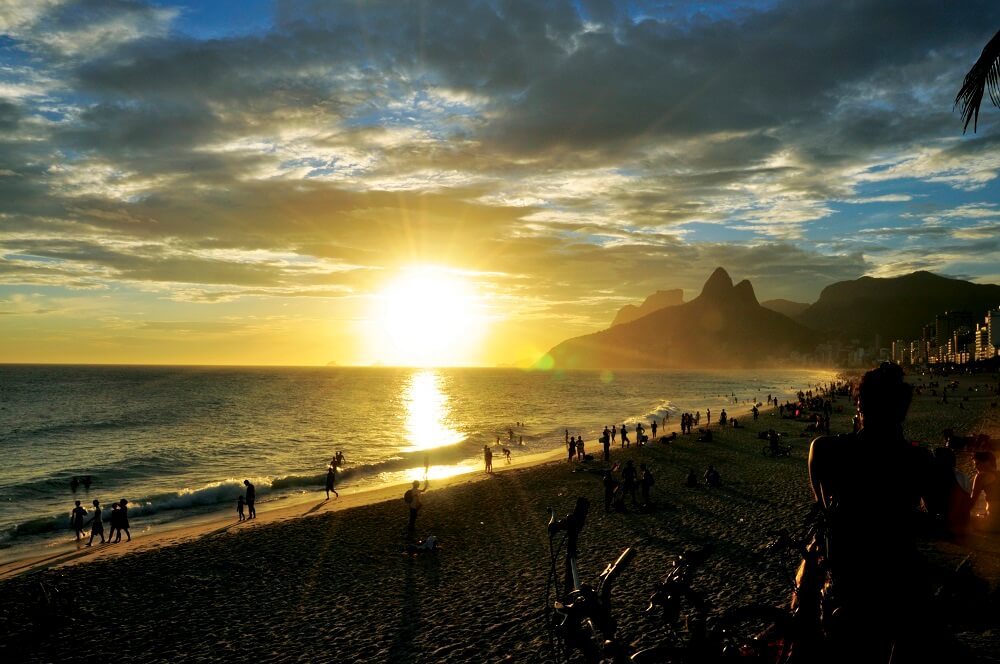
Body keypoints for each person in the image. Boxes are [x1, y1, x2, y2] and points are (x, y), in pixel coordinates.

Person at [807, 362, 951, 662]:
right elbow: (938, 513)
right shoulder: (918, 458)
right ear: (903, 410)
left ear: (859, 405)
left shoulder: (828, 449)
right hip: (897, 571)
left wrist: (829, 510)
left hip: (849, 571)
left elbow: (816, 465)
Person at [970, 450, 998, 531]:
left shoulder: (981, 476)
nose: (976, 467)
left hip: (993, 524)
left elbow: (971, 503)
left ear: (988, 462)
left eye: (977, 463)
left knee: (965, 518)